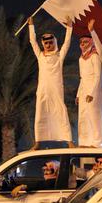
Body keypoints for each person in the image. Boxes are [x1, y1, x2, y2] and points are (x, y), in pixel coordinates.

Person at [27, 16, 73, 149]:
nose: (48, 45)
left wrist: (69, 28)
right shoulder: (40, 56)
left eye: (50, 43)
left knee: (61, 112)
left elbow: (67, 43)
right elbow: (32, 41)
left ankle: (69, 141)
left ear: (54, 43)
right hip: (43, 91)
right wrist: (31, 26)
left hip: (56, 90)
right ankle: (38, 142)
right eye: (46, 43)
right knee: (40, 113)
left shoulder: (59, 56)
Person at [76, 19, 102, 147]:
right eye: (81, 42)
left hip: (94, 90)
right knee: (83, 116)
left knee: (95, 115)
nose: (83, 44)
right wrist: (78, 94)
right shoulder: (81, 59)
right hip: (84, 90)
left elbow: (98, 76)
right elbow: (82, 78)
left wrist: (92, 93)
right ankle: (84, 141)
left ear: (91, 43)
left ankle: (98, 142)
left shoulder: (94, 56)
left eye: (85, 42)